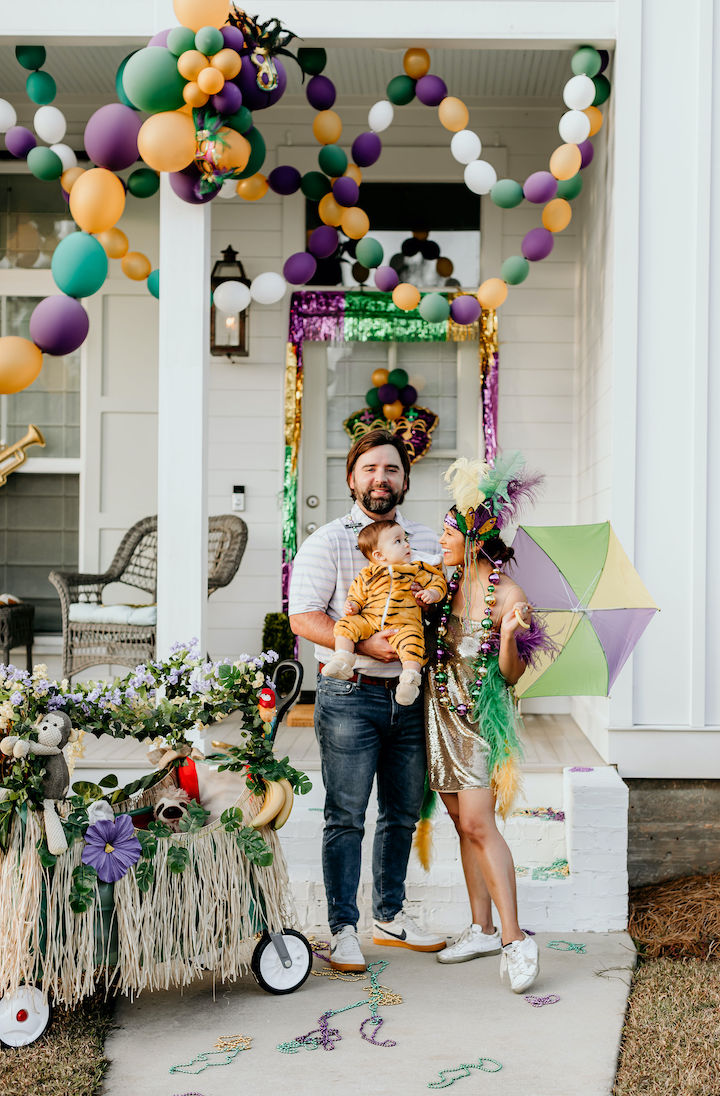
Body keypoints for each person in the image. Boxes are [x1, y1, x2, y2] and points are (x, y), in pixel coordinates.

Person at [288, 429, 447, 971]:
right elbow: (303, 615)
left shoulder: (421, 538)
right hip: (351, 693)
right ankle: (343, 928)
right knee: (347, 815)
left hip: (409, 696)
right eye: (371, 469)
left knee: (402, 812)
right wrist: (360, 641)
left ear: (405, 479)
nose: (382, 478)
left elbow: (440, 602)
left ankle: (390, 914)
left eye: (392, 470)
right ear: (352, 478)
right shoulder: (328, 541)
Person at [425, 454, 554, 993]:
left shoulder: (508, 595)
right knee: (460, 822)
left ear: (474, 535)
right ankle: (479, 928)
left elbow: (511, 675)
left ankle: (515, 939)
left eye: (449, 530)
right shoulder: (444, 586)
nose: (441, 539)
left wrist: (505, 638)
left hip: (477, 718)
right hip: (438, 716)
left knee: (480, 824)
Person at [322, 519, 447, 705]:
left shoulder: (415, 569)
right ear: (379, 555)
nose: (406, 544)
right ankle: (343, 660)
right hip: (370, 621)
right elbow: (356, 594)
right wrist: (353, 606)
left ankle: (409, 681)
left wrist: (431, 593)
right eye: (398, 541)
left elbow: (438, 582)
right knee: (345, 624)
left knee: (413, 642)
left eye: (405, 539)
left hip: (403, 625)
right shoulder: (368, 574)